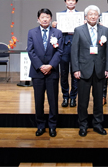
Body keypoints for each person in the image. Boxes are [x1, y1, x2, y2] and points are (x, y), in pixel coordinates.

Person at [71, 5, 108, 137]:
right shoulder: (79, 30)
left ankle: (98, 124)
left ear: (99, 16)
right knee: (83, 101)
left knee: (98, 100)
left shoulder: (105, 30)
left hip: (99, 70)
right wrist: (76, 69)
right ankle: (83, 125)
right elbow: (74, 51)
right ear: (86, 16)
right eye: (90, 14)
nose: (93, 16)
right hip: (83, 70)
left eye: (95, 14)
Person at [27, 8, 63, 137]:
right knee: (39, 101)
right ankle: (40, 125)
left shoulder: (57, 33)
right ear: (38, 19)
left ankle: (52, 126)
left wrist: (50, 66)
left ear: (51, 19)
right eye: (42, 17)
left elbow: (59, 51)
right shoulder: (32, 32)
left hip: (52, 72)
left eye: (47, 17)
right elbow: (30, 51)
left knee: (53, 101)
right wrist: (41, 66)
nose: (45, 19)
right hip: (37, 72)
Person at [52, 0, 79, 107]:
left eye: (73, 0)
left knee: (75, 73)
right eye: (68, 0)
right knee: (63, 73)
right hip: (63, 46)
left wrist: (85, 24)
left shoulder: (80, 16)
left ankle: (73, 97)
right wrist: (54, 25)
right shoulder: (60, 16)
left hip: (77, 46)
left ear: (76, 2)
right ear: (65, 2)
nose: (71, 2)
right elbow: (55, 32)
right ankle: (65, 96)